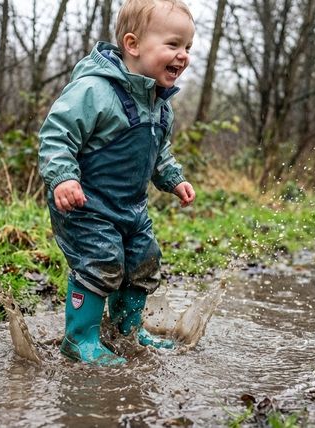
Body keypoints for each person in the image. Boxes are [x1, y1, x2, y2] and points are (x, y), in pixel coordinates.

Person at [38, 0, 196, 365]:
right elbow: (56, 135)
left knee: (144, 259)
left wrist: (174, 179)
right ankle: (80, 339)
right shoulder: (95, 90)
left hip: (129, 207)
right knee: (102, 259)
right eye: (173, 45)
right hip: (84, 203)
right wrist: (63, 178)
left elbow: (159, 153)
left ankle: (126, 332)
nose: (183, 55)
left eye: (188, 47)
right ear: (133, 44)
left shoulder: (161, 104)